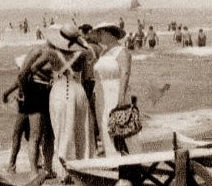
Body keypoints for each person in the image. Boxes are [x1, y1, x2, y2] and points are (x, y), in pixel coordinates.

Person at [27, 24, 95, 177]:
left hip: (58, 90)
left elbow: (33, 68)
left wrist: (50, 77)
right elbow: (88, 78)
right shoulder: (83, 53)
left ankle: (64, 172)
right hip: (78, 90)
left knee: (60, 130)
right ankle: (82, 168)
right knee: (80, 130)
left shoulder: (51, 53)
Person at [6, 45, 54, 175]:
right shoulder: (35, 77)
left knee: (23, 135)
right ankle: (38, 166)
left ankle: (13, 164)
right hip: (30, 105)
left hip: (25, 106)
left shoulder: (26, 77)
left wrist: (6, 95)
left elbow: (15, 84)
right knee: (36, 136)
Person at [90, 22, 133, 156]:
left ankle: (125, 161)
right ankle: (112, 158)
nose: (99, 36)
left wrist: (121, 98)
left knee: (119, 126)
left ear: (110, 34)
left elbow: (125, 73)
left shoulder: (122, 51)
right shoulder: (103, 52)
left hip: (116, 91)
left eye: (101, 33)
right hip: (102, 94)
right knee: (104, 125)